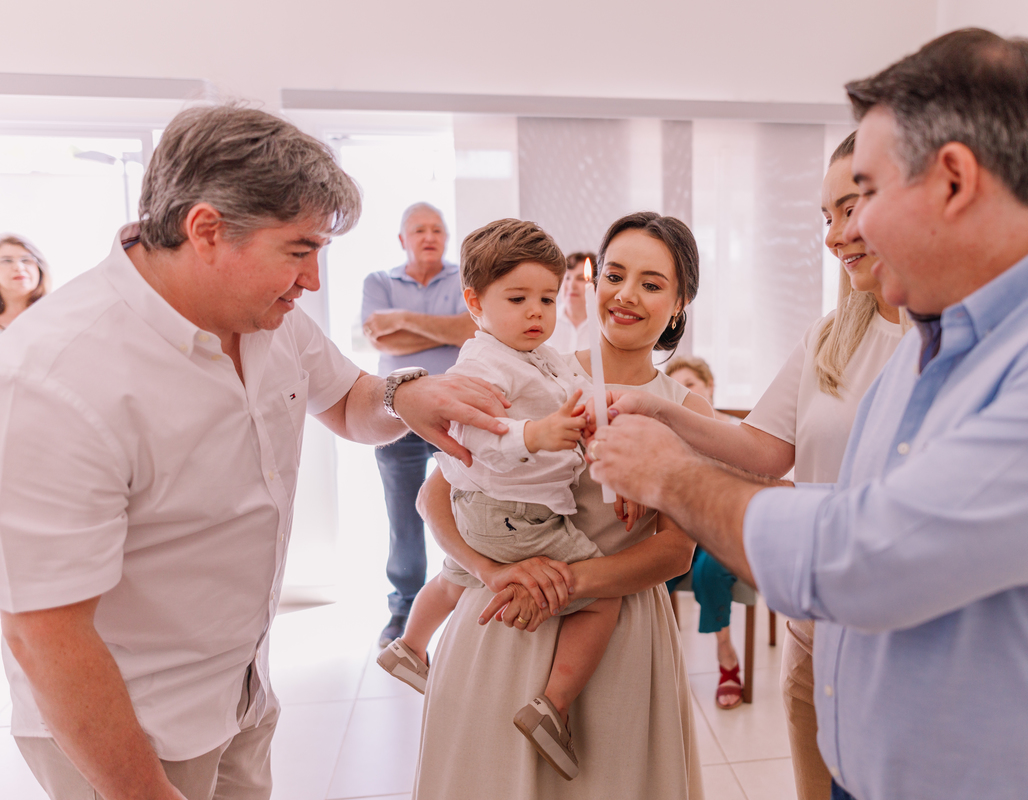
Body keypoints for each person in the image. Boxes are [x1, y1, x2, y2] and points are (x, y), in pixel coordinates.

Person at [591, 29, 1028, 800]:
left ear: (952, 180)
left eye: (867, 195)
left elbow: (869, 556)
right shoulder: (928, 343)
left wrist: (672, 476)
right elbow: (869, 510)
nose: (852, 233)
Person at [0, 104, 509, 800]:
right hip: (129, 732)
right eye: (299, 251)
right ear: (205, 230)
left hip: (240, 692)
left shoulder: (271, 322)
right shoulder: (53, 377)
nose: (313, 282)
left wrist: (404, 397)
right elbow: (42, 631)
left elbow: (351, 400)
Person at [613, 132, 905, 794]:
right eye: (824, 217)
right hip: (814, 629)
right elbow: (765, 449)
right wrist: (662, 411)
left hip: (895, 641)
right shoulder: (832, 336)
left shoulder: (950, 343)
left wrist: (674, 471)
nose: (834, 236)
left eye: (849, 210)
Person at [411, 211, 709, 798]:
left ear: (679, 304)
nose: (625, 295)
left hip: (616, 638)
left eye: (651, 284)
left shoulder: (687, 412)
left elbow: (675, 553)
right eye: (614, 275)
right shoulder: (524, 372)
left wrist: (567, 583)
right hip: (503, 621)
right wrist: (494, 571)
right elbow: (435, 496)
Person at [377, 219, 620, 781]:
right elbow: (477, 437)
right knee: (603, 592)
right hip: (516, 515)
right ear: (474, 303)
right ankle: (551, 706)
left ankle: (409, 646)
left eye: (547, 298)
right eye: (517, 299)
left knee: (456, 575)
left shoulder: (543, 355)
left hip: (488, 516)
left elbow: (576, 393)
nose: (537, 312)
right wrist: (535, 434)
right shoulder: (484, 365)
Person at [362, 202, 478, 647]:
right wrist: (444, 329)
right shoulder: (379, 282)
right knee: (404, 515)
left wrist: (405, 319)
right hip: (395, 416)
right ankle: (404, 608)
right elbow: (379, 337)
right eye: (419, 230)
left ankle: (464, 598)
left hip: (456, 415)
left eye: (437, 229)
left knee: (467, 506)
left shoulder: (463, 278)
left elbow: (470, 330)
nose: (429, 236)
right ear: (402, 240)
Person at [663, 356, 747, 709]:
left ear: (709, 387)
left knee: (709, 572)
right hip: (686, 524)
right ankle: (659, 664)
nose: (684, 393)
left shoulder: (739, 432)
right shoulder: (668, 436)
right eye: (676, 389)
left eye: (691, 385)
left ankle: (726, 655)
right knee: (653, 567)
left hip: (727, 527)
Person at [0, 233, 51, 330]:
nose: (19, 267)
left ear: (40, 269)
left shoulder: (59, 314)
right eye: (7, 261)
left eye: (26, 260)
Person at [546, 251, 592, 354]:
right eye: (567, 278)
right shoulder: (546, 320)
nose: (571, 285)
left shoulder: (604, 325)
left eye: (580, 278)